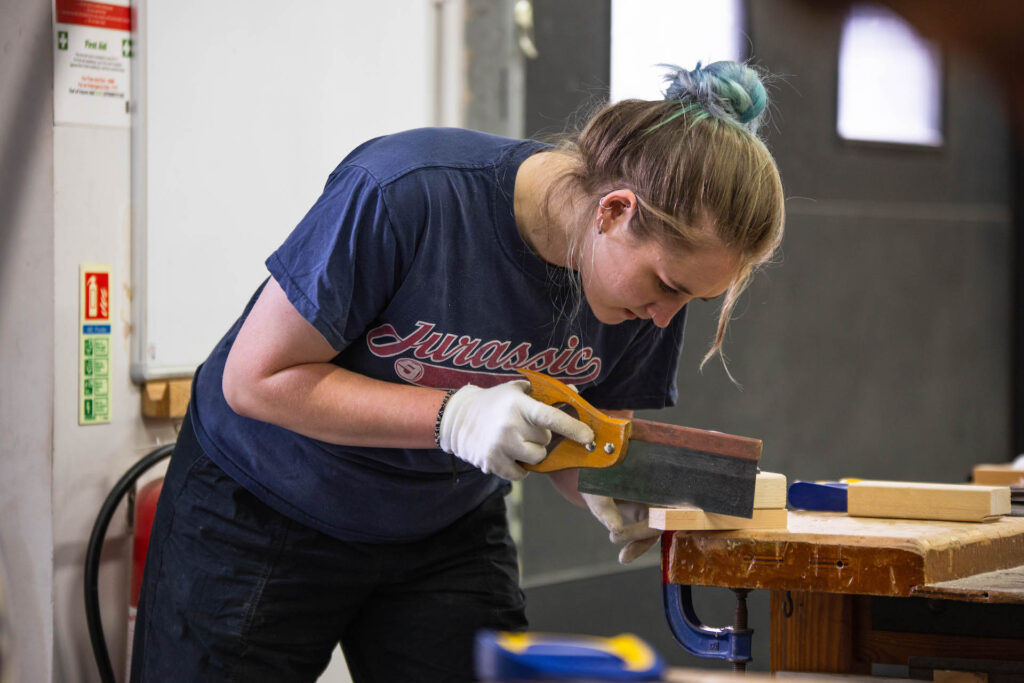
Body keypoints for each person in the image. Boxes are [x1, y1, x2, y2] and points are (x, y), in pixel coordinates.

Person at [130, 60, 785, 682]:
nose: (666, 317)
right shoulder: (407, 191)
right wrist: (453, 416)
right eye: (668, 286)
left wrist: (614, 487)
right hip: (265, 503)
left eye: (694, 299)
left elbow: (588, 437)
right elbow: (255, 378)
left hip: (441, 526)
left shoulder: (644, 293)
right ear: (614, 211)